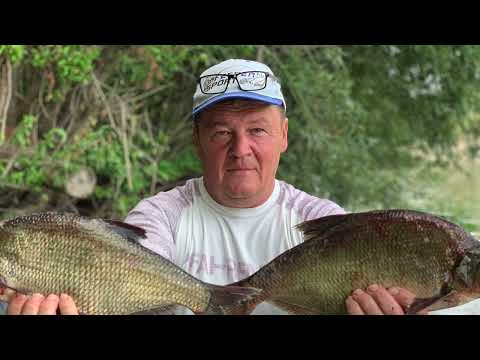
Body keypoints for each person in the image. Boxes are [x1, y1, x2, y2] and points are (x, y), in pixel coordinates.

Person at [4, 59, 424, 315]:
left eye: (258, 130)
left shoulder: (320, 221)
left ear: (285, 136)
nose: (241, 149)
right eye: (222, 132)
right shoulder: (160, 216)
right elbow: (120, 279)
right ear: (197, 140)